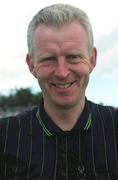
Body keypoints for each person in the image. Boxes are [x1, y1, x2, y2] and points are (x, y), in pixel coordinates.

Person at [0, 3, 118, 180]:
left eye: (73, 57)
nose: (62, 72)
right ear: (31, 64)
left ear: (92, 59)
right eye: (48, 59)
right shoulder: (5, 137)